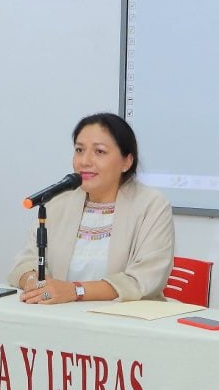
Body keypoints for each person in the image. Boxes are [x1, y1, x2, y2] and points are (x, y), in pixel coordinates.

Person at [9, 113, 174, 304]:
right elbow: (25, 262)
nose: (85, 161)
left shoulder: (151, 205)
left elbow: (144, 279)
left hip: (125, 321)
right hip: (60, 316)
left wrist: (75, 291)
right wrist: (34, 282)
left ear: (127, 162)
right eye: (79, 150)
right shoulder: (58, 201)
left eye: (100, 152)